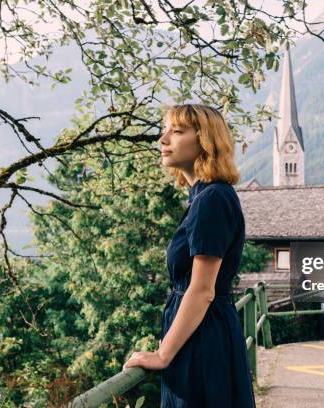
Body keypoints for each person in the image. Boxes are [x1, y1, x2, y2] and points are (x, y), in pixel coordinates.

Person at [122, 104, 256, 407]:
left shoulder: (213, 199)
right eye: (165, 130)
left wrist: (162, 354)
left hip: (204, 340)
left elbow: (202, 289)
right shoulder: (202, 198)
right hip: (199, 335)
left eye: (177, 131)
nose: (163, 139)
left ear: (205, 141)